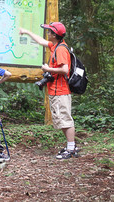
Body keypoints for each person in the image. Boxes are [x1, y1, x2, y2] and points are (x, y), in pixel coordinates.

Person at [19, 22, 78, 159]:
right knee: (61, 119)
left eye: (49, 31)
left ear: (55, 35)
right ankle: (71, 146)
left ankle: (71, 148)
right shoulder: (55, 45)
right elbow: (41, 41)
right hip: (56, 91)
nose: (47, 33)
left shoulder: (61, 49)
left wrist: (47, 69)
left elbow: (65, 69)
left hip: (61, 91)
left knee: (65, 119)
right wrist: (27, 31)